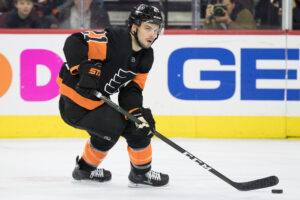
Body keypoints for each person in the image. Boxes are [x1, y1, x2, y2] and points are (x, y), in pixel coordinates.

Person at [56, 4, 169, 187]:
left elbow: (132, 89)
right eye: (148, 28)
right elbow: (74, 41)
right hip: (73, 103)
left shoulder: (146, 57)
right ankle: (86, 169)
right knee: (113, 126)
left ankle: (137, 173)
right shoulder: (114, 41)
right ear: (134, 27)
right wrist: (83, 69)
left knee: (139, 123)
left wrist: (135, 113)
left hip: (96, 104)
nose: (152, 35)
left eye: (156, 30)